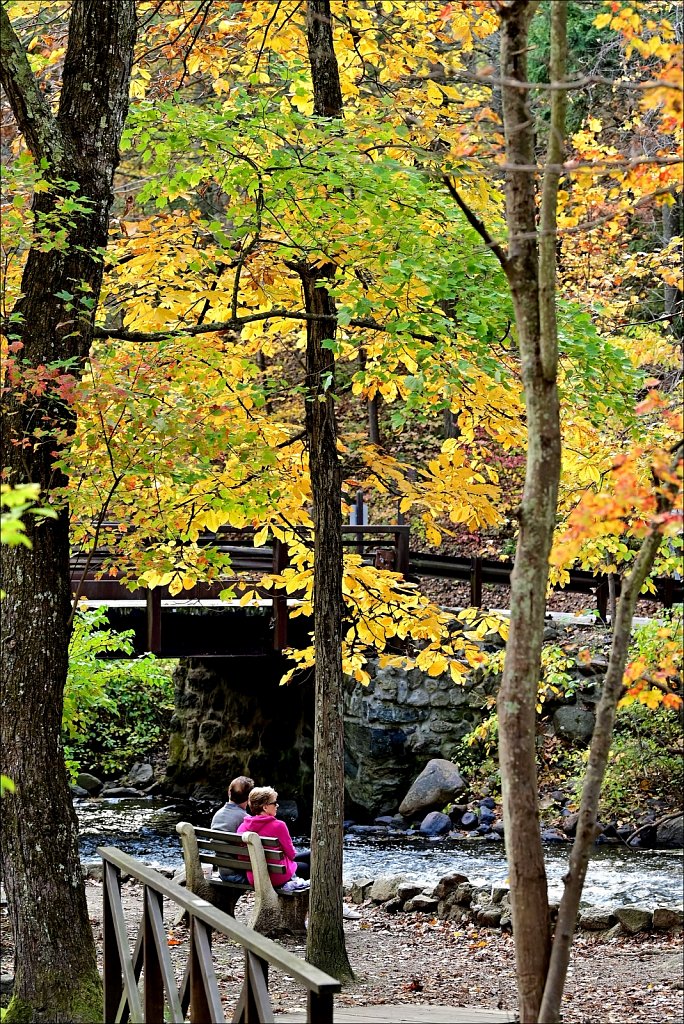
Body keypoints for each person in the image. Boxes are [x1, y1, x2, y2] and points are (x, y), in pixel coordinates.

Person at [237, 786, 310, 891]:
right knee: (309, 863)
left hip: (254, 878)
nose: (277, 806)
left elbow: (242, 858)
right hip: (277, 877)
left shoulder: (242, 827)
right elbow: (292, 855)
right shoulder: (279, 826)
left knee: (307, 856)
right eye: (274, 803)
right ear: (265, 807)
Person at [211, 775, 254, 882]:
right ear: (249, 798)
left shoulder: (218, 814)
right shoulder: (246, 819)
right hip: (240, 875)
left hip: (223, 872)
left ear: (229, 793)